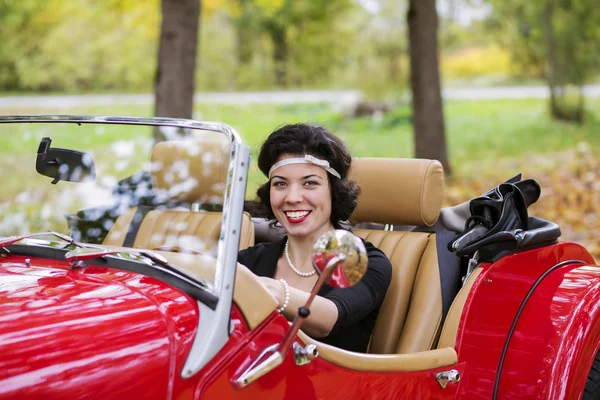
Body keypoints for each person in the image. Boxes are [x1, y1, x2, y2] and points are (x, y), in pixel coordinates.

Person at [238, 123, 392, 353]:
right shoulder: (250, 261)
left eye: (310, 183)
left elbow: (329, 318)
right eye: (280, 184)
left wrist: (274, 292)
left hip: (332, 385)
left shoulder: (366, 260)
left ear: (334, 190)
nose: (292, 197)